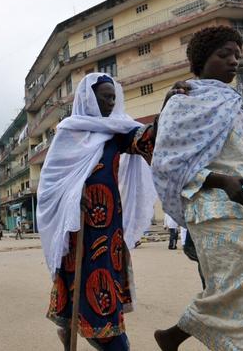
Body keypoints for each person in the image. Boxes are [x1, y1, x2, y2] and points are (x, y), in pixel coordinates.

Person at [151, 26, 243, 351]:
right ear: (202, 59)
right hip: (212, 208)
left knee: (231, 289)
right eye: (224, 55)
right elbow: (167, 162)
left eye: (237, 56)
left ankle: (174, 335)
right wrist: (222, 181)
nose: (233, 61)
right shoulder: (182, 101)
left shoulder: (239, 104)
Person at [37, 73, 158, 351]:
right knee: (77, 285)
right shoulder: (68, 132)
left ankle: (109, 339)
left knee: (103, 287)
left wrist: (170, 106)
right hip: (77, 231)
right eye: (105, 97)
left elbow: (147, 139)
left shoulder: (117, 132)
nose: (110, 102)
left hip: (108, 230)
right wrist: (72, 195)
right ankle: (86, 334)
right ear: (89, 98)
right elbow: (49, 185)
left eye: (113, 97)